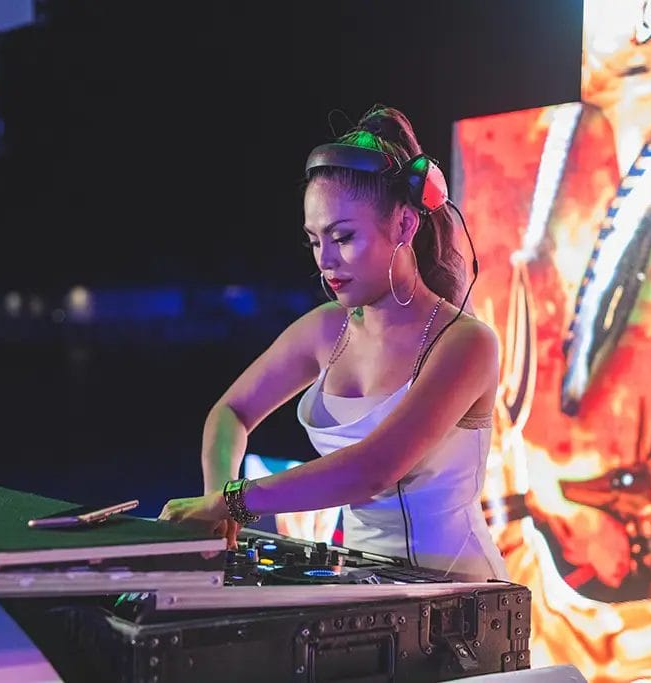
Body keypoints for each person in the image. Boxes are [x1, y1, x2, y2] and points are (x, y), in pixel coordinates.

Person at [159, 104, 509, 581]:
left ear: (405, 225)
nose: (326, 260)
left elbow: (373, 469)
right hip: (362, 586)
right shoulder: (327, 329)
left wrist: (233, 500)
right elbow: (231, 413)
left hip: (461, 594)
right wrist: (217, 502)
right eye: (314, 241)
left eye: (342, 237)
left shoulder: (465, 343)